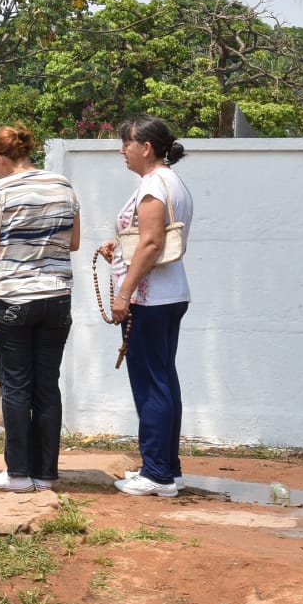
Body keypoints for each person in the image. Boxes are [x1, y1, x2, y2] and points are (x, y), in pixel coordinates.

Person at [0, 126, 81, 493]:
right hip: (56, 295)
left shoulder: (1, 189)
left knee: (16, 385)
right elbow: (74, 241)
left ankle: (18, 473)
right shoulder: (63, 185)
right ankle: (47, 474)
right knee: (47, 386)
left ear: (0, 157)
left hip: (12, 296)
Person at [96, 115, 194, 498]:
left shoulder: (153, 185)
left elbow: (152, 243)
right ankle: (168, 468)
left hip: (148, 299)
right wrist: (118, 247)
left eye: (127, 144)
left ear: (146, 147)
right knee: (164, 379)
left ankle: (156, 473)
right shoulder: (171, 182)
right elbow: (148, 239)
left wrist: (124, 294)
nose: (122, 150)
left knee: (151, 383)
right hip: (170, 294)